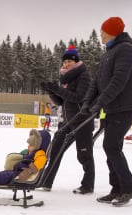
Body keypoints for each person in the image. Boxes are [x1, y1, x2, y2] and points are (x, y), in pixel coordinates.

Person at [80, 16, 132, 206]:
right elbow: (97, 82)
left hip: (126, 106)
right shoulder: (109, 52)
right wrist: (87, 103)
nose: (101, 35)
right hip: (113, 107)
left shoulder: (125, 50)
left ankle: (130, 188)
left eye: (103, 32)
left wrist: (100, 102)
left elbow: (118, 82)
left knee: (111, 145)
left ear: (112, 32)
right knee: (112, 147)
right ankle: (117, 189)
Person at [40, 45, 95, 194]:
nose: (66, 64)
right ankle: (46, 181)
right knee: (55, 149)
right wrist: (51, 91)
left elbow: (79, 98)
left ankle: (88, 185)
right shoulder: (65, 78)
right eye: (64, 62)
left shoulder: (83, 76)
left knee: (84, 155)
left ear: (76, 61)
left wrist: (57, 89)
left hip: (81, 120)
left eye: (70, 61)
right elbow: (60, 101)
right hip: (67, 121)